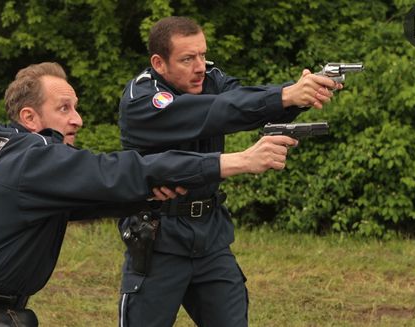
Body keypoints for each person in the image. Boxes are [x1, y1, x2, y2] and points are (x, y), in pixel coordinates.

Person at [0, 62, 298, 326]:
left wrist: (147, 197)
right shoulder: (32, 158)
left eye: (76, 107)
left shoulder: (10, 147)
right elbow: (116, 171)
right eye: (63, 108)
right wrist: (238, 161)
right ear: (29, 117)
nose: (77, 118)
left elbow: (84, 199)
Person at [117, 16, 342, 327]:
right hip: (159, 238)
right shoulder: (142, 98)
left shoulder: (209, 77)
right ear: (159, 62)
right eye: (187, 59)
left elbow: (243, 101)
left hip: (210, 236)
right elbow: (215, 112)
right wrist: (285, 95)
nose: (199, 66)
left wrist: (301, 93)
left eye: (202, 55)